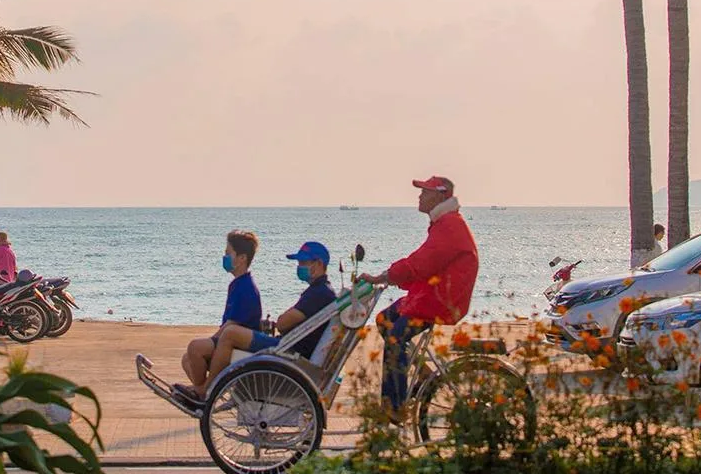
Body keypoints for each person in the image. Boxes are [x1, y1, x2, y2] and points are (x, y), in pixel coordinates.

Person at [361, 175, 479, 418]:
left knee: (396, 337)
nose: (420, 196)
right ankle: (424, 374)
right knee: (385, 320)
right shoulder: (443, 223)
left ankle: (395, 408)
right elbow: (424, 264)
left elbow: (421, 262)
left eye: (425, 192)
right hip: (427, 295)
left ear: (440, 195)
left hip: (438, 301)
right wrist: (393, 278)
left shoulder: (450, 226)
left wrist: (384, 277)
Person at [177, 241, 338, 405]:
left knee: (231, 333)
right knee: (215, 341)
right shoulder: (321, 291)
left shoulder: (319, 293)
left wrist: (284, 318)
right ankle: (203, 390)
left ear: (318, 264)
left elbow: (282, 323)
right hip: (289, 346)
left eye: (303, 263)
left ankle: (205, 391)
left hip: (289, 350)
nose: (299, 267)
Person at [178, 231, 262, 396]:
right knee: (186, 359)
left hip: (239, 347)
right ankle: (202, 392)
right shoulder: (237, 284)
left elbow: (233, 324)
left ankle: (204, 392)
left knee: (194, 348)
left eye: (228, 254)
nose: (225, 257)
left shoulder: (246, 288)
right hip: (230, 341)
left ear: (241, 258)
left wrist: (212, 340)